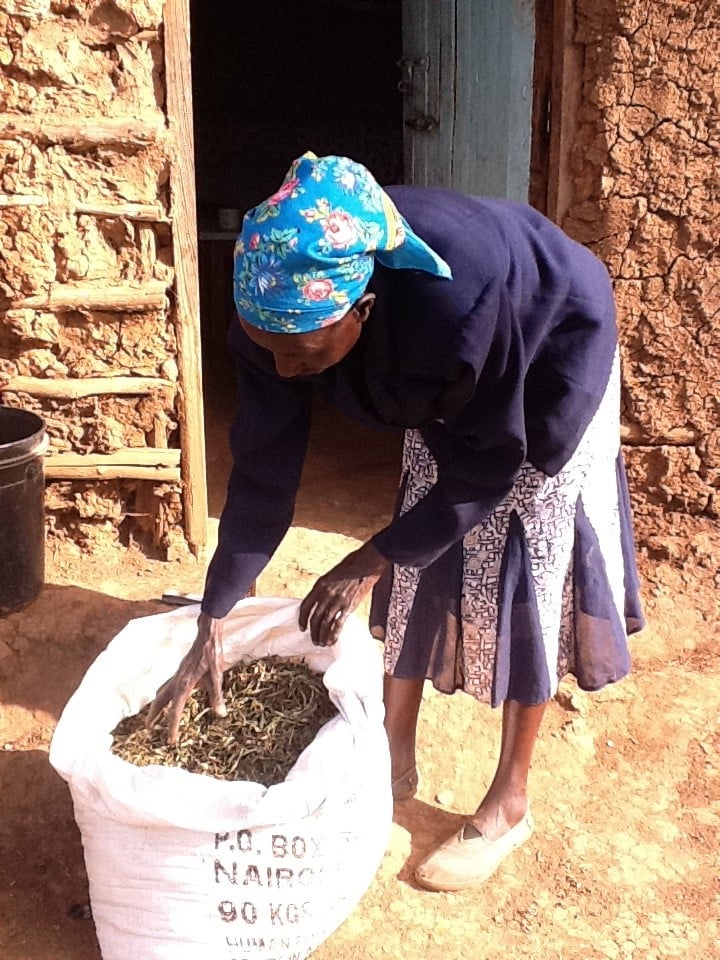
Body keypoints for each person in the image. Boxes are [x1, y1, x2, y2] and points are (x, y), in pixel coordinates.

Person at [148, 152, 644, 892]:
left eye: (305, 353)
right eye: (271, 351)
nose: (286, 371)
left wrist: (371, 553)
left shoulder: (458, 307)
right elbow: (263, 463)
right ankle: (392, 755)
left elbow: (491, 462)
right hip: (443, 370)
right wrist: (219, 606)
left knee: (526, 567)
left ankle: (509, 801)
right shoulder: (271, 309)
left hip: (547, 354)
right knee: (416, 537)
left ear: (363, 311)